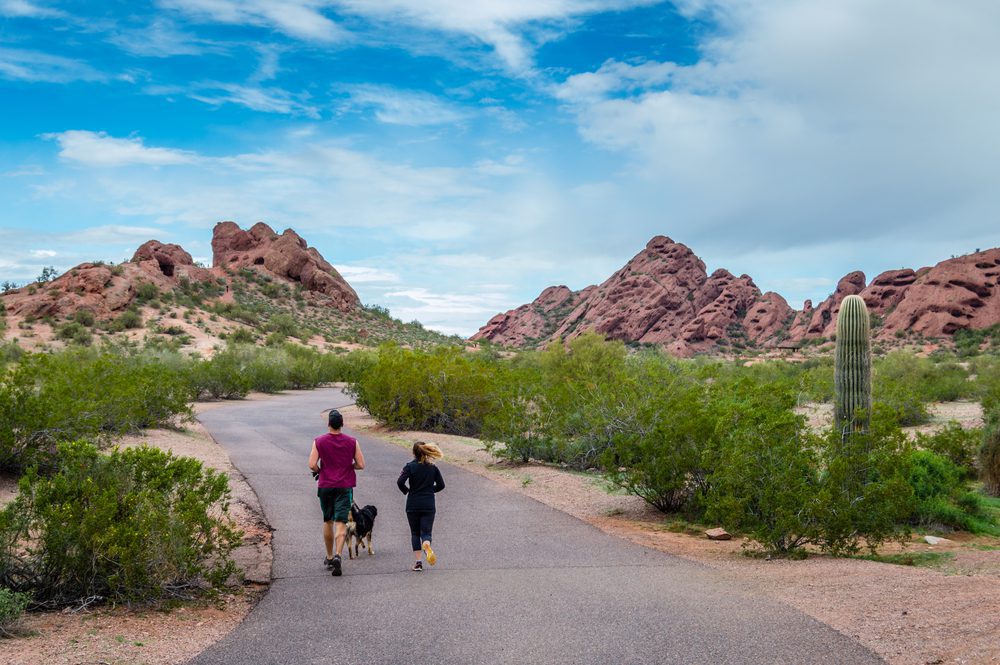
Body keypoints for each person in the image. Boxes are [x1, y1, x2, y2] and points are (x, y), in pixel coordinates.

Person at [309, 409, 365, 577]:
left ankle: (329, 556)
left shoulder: (319, 441)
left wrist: (321, 470)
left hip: (326, 485)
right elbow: (361, 464)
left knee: (328, 521)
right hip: (344, 486)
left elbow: (312, 464)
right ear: (342, 424)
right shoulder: (352, 442)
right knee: (341, 522)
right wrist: (350, 466)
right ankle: (339, 555)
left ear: (328, 424)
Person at [397, 441, 445, 571]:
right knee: (426, 532)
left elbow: (400, 481)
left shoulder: (409, 466)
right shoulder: (433, 467)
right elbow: (441, 485)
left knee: (415, 533)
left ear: (413, 453)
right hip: (428, 503)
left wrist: (407, 491)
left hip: (413, 503)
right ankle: (427, 545)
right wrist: (430, 490)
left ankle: (418, 563)